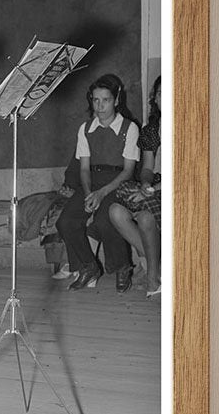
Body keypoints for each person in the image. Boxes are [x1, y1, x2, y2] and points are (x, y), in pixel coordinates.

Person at [54, 73, 139, 292]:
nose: (100, 105)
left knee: (104, 220)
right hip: (90, 181)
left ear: (116, 100)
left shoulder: (129, 128)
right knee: (66, 221)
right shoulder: (85, 129)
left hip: (117, 182)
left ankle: (122, 268)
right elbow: (84, 167)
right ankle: (88, 267)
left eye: (106, 100)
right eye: (95, 100)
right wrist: (90, 192)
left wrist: (101, 194)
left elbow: (129, 170)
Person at [109, 76, 163, 297]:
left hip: (183, 188)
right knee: (115, 211)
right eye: (160, 94)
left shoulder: (191, 126)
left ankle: (152, 276)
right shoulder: (152, 130)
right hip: (157, 185)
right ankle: (152, 263)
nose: (164, 98)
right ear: (154, 99)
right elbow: (148, 167)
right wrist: (147, 184)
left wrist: (155, 190)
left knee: (145, 217)